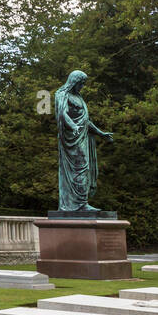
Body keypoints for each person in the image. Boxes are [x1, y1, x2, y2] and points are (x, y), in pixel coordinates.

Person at [54, 69, 113, 211]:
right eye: (81, 83)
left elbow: (85, 121)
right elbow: (63, 114)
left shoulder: (79, 98)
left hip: (81, 137)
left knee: (84, 168)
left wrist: (101, 133)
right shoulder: (62, 94)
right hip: (71, 139)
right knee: (80, 168)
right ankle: (79, 205)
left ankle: (81, 203)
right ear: (74, 82)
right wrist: (73, 126)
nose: (82, 86)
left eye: (83, 84)